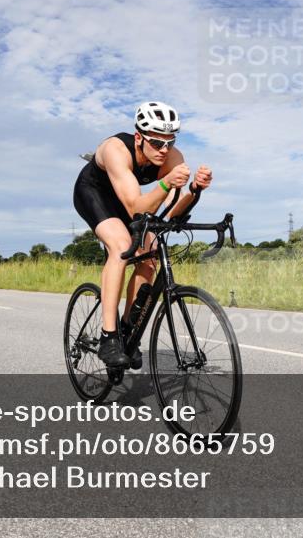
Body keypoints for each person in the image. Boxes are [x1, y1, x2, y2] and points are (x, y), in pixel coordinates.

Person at [73, 101, 212, 369]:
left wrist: (195, 190)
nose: (164, 150)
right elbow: (135, 208)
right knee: (121, 246)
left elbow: (173, 212)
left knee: (150, 258)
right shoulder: (116, 150)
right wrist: (165, 183)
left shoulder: (172, 157)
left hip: (131, 199)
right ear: (139, 137)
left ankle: (128, 331)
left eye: (170, 142)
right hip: (94, 193)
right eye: (157, 143)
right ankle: (109, 337)